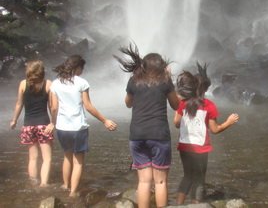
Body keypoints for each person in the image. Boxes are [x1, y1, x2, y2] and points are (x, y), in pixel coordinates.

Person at [114, 43, 179, 208]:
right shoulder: (165, 81)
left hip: (137, 135)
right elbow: (176, 105)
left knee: (143, 181)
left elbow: (128, 103)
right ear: (161, 67)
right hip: (159, 135)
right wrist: (170, 81)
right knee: (161, 182)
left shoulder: (134, 80)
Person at [50, 54, 117, 197]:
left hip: (62, 127)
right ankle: (73, 192)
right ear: (77, 67)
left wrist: (53, 123)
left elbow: (54, 107)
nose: (83, 71)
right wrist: (105, 120)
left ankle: (65, 185)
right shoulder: (82, 83)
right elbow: (88, 106)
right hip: (78, 127)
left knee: (67, 157)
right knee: (78, 162)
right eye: (82, 68)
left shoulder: (55, 83)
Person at [174, 62, 239, 205]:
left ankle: (178, 205)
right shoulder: (209, 105)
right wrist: (229, 122)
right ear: (204, 89)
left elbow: (176, 123)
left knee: (187, 176)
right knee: (199, 178)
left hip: (184, 146)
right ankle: (196, 204)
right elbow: (215, 130)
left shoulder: (183, 103)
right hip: (200, 148)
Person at [10, 59, 54, 187]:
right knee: (47, 158)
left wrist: (14, 120)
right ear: (42, 72)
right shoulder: (48, 84)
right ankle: (44, 184)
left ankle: (33, 183)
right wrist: (53, 122)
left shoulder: (23, 84)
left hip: (28, 126)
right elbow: (52, 106)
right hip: (44, 125)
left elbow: (19, 104)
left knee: (33, 158)